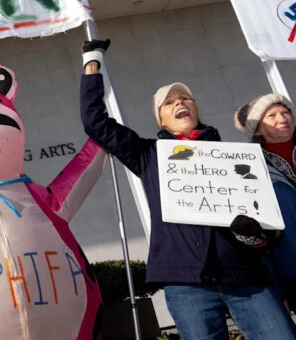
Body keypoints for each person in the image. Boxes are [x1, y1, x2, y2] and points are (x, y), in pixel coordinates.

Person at [80, 39, 296, 340]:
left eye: (185, 98)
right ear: (161, 118)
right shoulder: (148, 155)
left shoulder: (236, 158)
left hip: (247, 278)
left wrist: (255, 234)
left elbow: (268, 227)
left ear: (196, 108)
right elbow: (96, 123)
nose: (179, 103)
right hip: (186, 283)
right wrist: (92, 63)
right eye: (169, 102)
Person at [234, 93, 296, 310]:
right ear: (258, 129)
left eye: (286, 112)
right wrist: (279, 289)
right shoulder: (254, 174)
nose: (282, 117)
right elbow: (261, 239)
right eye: (272, 115)